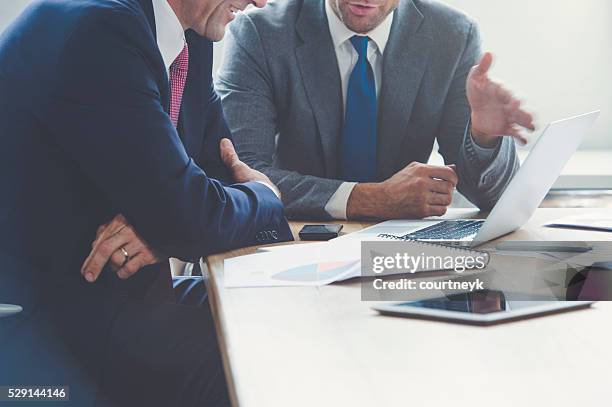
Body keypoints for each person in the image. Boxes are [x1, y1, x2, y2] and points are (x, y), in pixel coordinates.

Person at [0, 0, 292, 405]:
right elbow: (194, 212)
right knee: (259, 359)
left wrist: (168, 223)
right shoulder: (101, 29)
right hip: (46, 329)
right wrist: (266, 196)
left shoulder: (188, 37)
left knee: (285, 311)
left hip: (127, 301)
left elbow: (219, 175)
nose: (261, 2)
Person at [216, 0, 536, 220]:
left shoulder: (452, 35)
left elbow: (492, 199)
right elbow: (240, 174)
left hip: (398, 257)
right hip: (293, 242)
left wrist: (483, 136)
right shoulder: (259, 33)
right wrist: (369, 198)